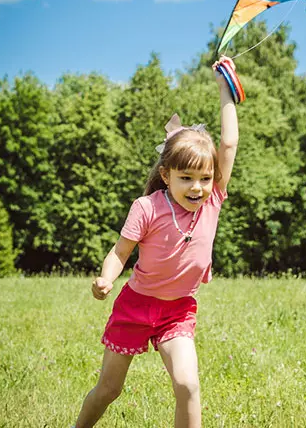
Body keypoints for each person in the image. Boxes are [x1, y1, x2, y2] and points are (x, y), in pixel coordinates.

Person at [73, 56, 239, 428]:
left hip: (178, 309)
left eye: (205, 178)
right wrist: (106, 279)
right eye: (186, 178)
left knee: (187, 384)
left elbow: (228, 143)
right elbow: (120, 253)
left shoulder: (213, 200)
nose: (197, 187)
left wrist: (224, 87)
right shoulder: (147, 207)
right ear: (166, 175)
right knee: (109, 389)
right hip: (135, 306)